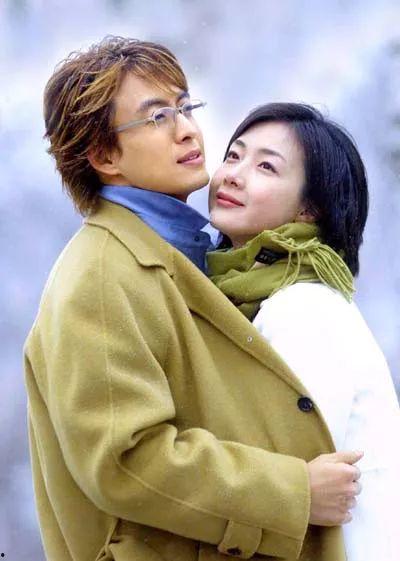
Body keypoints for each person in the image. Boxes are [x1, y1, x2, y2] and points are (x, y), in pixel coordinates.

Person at [24, 38, 361, 561]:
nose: (187, 130)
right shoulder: (103, 274)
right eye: (157, 117)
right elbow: (126, 461)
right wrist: (294, 492)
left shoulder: (182, 256)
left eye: (185, 107)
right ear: (104, 156)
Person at [207, 102, 400, 561]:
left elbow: (287, 478)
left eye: (266, 167)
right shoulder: (249, 300)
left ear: (309, 209)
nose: (234, 175)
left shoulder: (303, 309)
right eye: (234, 156)